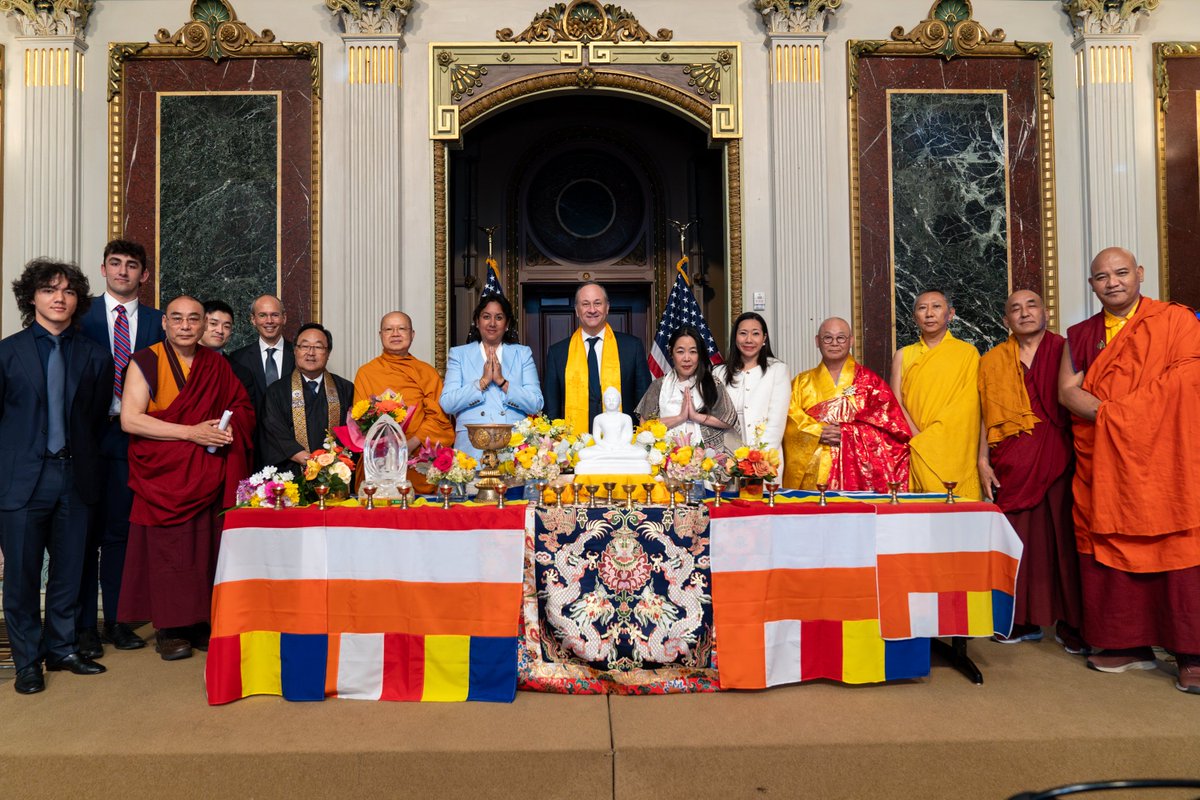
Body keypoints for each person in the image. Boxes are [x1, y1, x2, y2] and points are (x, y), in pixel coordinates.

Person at [1059, 247, 1200, 691]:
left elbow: (1188, 378)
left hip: (1166, 459)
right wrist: (1114, 419)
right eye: (1102, 277)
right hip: (1107, 460)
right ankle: (1125, 642)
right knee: (1108, 542)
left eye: (1121, 273)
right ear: (1091, 285)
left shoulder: (1176, 321)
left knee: (1178, 547)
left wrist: (1123, 415)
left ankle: (1190, 653)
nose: (1113, 282)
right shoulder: (1081, 334)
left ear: (1140, 274)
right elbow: (1067, 391)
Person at [118, 295, 255, 662]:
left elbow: (241, 407)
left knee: (203, 548)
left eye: (193, 319)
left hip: (207, 470)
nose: (185, 325)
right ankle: (169, 628)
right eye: (176, 318)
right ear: (164, 323)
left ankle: (198, 623)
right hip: (163, 472)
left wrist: (227, 428)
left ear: (203, 324)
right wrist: (191, 433)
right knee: (169, 551)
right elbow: (131, 419)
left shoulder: (215, 364)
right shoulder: (146, 359)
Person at [0, 260, 114, 694]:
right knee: (23, 576)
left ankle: (62, 648)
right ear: (32, 298)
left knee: (69, 572)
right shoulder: (7, 353)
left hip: (75, 476)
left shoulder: (95, 356)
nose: (59, 297)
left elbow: (95, 420)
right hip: (22, 481)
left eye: (67, 291)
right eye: (49, 290)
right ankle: (28, 660)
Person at [978, 290, 1083, 651]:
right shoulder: (992, 360)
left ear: (1046, 312)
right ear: (1006, 320)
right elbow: (984, 416)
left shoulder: (1068, 349)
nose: (1024, 314)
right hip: (1014, 460)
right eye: (1015, 309)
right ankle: (1020, 619)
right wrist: (981, 460)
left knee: (1067, 542)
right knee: (1018, 541)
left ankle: (1074, 623)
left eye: (1031, 306)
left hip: (1062, 456)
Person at [75, 240, 163, 658]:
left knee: (119, 535)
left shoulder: (159, 322)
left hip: (136, 439)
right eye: (116, 264)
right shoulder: (79, 315)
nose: (123, 272)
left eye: (132, 265)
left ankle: (116, 620)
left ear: (144, 275)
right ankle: (82, 627)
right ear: (103, 269)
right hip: (86, 438)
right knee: (80, 533)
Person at [782, 317, 911, 492]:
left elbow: (892, 428)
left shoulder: (870, 382)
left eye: (841, 338)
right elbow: (788, 419)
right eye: (827, 338)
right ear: (817, 341)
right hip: (814, 472)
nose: (834, 343)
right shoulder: (801, 383)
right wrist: (816, 432)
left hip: (857, 470)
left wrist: (848, 433)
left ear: (851, 341)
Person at [891, 290, 982, 499]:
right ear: (915, 317)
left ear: (950, 314)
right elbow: (896, 402)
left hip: (958, 452)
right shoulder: (903, 355)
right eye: (922, 308)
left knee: (959, 521)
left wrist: (935, 439)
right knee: (921, 518)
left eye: (936, 307)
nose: (929, 313)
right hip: (917, 445)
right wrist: (919, 439)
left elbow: (969, 407)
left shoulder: (968, 353)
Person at [354, 311, 455, 492]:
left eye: (401, 329)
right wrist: (387, 446)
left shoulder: (427, 372)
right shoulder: (366, 372)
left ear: (412, 334)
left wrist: (411, 444)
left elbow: (439, 418)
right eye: (389, 329)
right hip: (379, 460)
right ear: (380, 335)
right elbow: (360, 418)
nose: (395, 334)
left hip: (418, 458)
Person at [440, 294, 543, 458]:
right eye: (486, 317)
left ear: (507, 323)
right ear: (477, 321)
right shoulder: (459, 354)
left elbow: (536, 404)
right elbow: (447, 404)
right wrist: (482, 382)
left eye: (499, 317)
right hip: (471, 447)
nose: (492, 323)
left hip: (514, 446)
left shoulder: (522, 354)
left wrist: (502, 382)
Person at [543, 282, 651, 435]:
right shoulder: (558, 352)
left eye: (597, 303)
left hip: (623, 443)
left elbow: (644, 400)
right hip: (573, 445)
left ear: (607, 307)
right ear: (577, 310)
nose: (592, 310)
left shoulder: (632, 347)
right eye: (585, 304)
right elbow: (551, 408)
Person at [260, 322, 354, 471]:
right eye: (304, 346)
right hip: (293, 474)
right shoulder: (277, 391)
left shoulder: (345, 388)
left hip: (336, 473)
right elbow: (275, 432)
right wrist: (311, 462)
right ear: (295, 351)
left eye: (318, 347)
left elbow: (352, 434)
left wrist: (331, 464)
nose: (311, 352)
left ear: (328, 353)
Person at [635, 325, 740, 454]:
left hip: (710, 461)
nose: (686, 358)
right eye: (680, 351)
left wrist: (695, 416)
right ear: (671, 353)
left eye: (693, 352)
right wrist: (680, 418)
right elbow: (644, 425)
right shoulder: (659, 385)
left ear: (699, 354)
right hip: (667, 459)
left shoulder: (712, 383)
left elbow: (729, 420)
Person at [713, 312, 791, 471]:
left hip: (764, 461)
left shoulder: (777, 369)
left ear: (764, 339)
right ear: (735, 338)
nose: (749, 339)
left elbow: (776, 421)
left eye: (755, 334)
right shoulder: (718, 372)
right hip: (726, 458)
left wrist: (758, 461)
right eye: (743, 333)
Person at [229, 294, 293, 467]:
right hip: (252, 447)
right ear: (253, 319)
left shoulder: (300, 355)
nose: (269, 321)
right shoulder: (237, 358)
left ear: (284, 318)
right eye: (263, 315)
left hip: (292, 447)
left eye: (275, 315)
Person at [575, 386, 652, 474]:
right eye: (608, 400)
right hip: (603, 447)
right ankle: (615, 459)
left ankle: (605, 459)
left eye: (614, 400)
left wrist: (619, 446)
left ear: (619, 401)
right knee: (583, 453)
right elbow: (597, 438)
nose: (611, 402)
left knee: (642, 453)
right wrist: (606, 446)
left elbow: (628, 437)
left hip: (622, 447)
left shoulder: (626, 418)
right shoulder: (598, 418)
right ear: (604, 402)